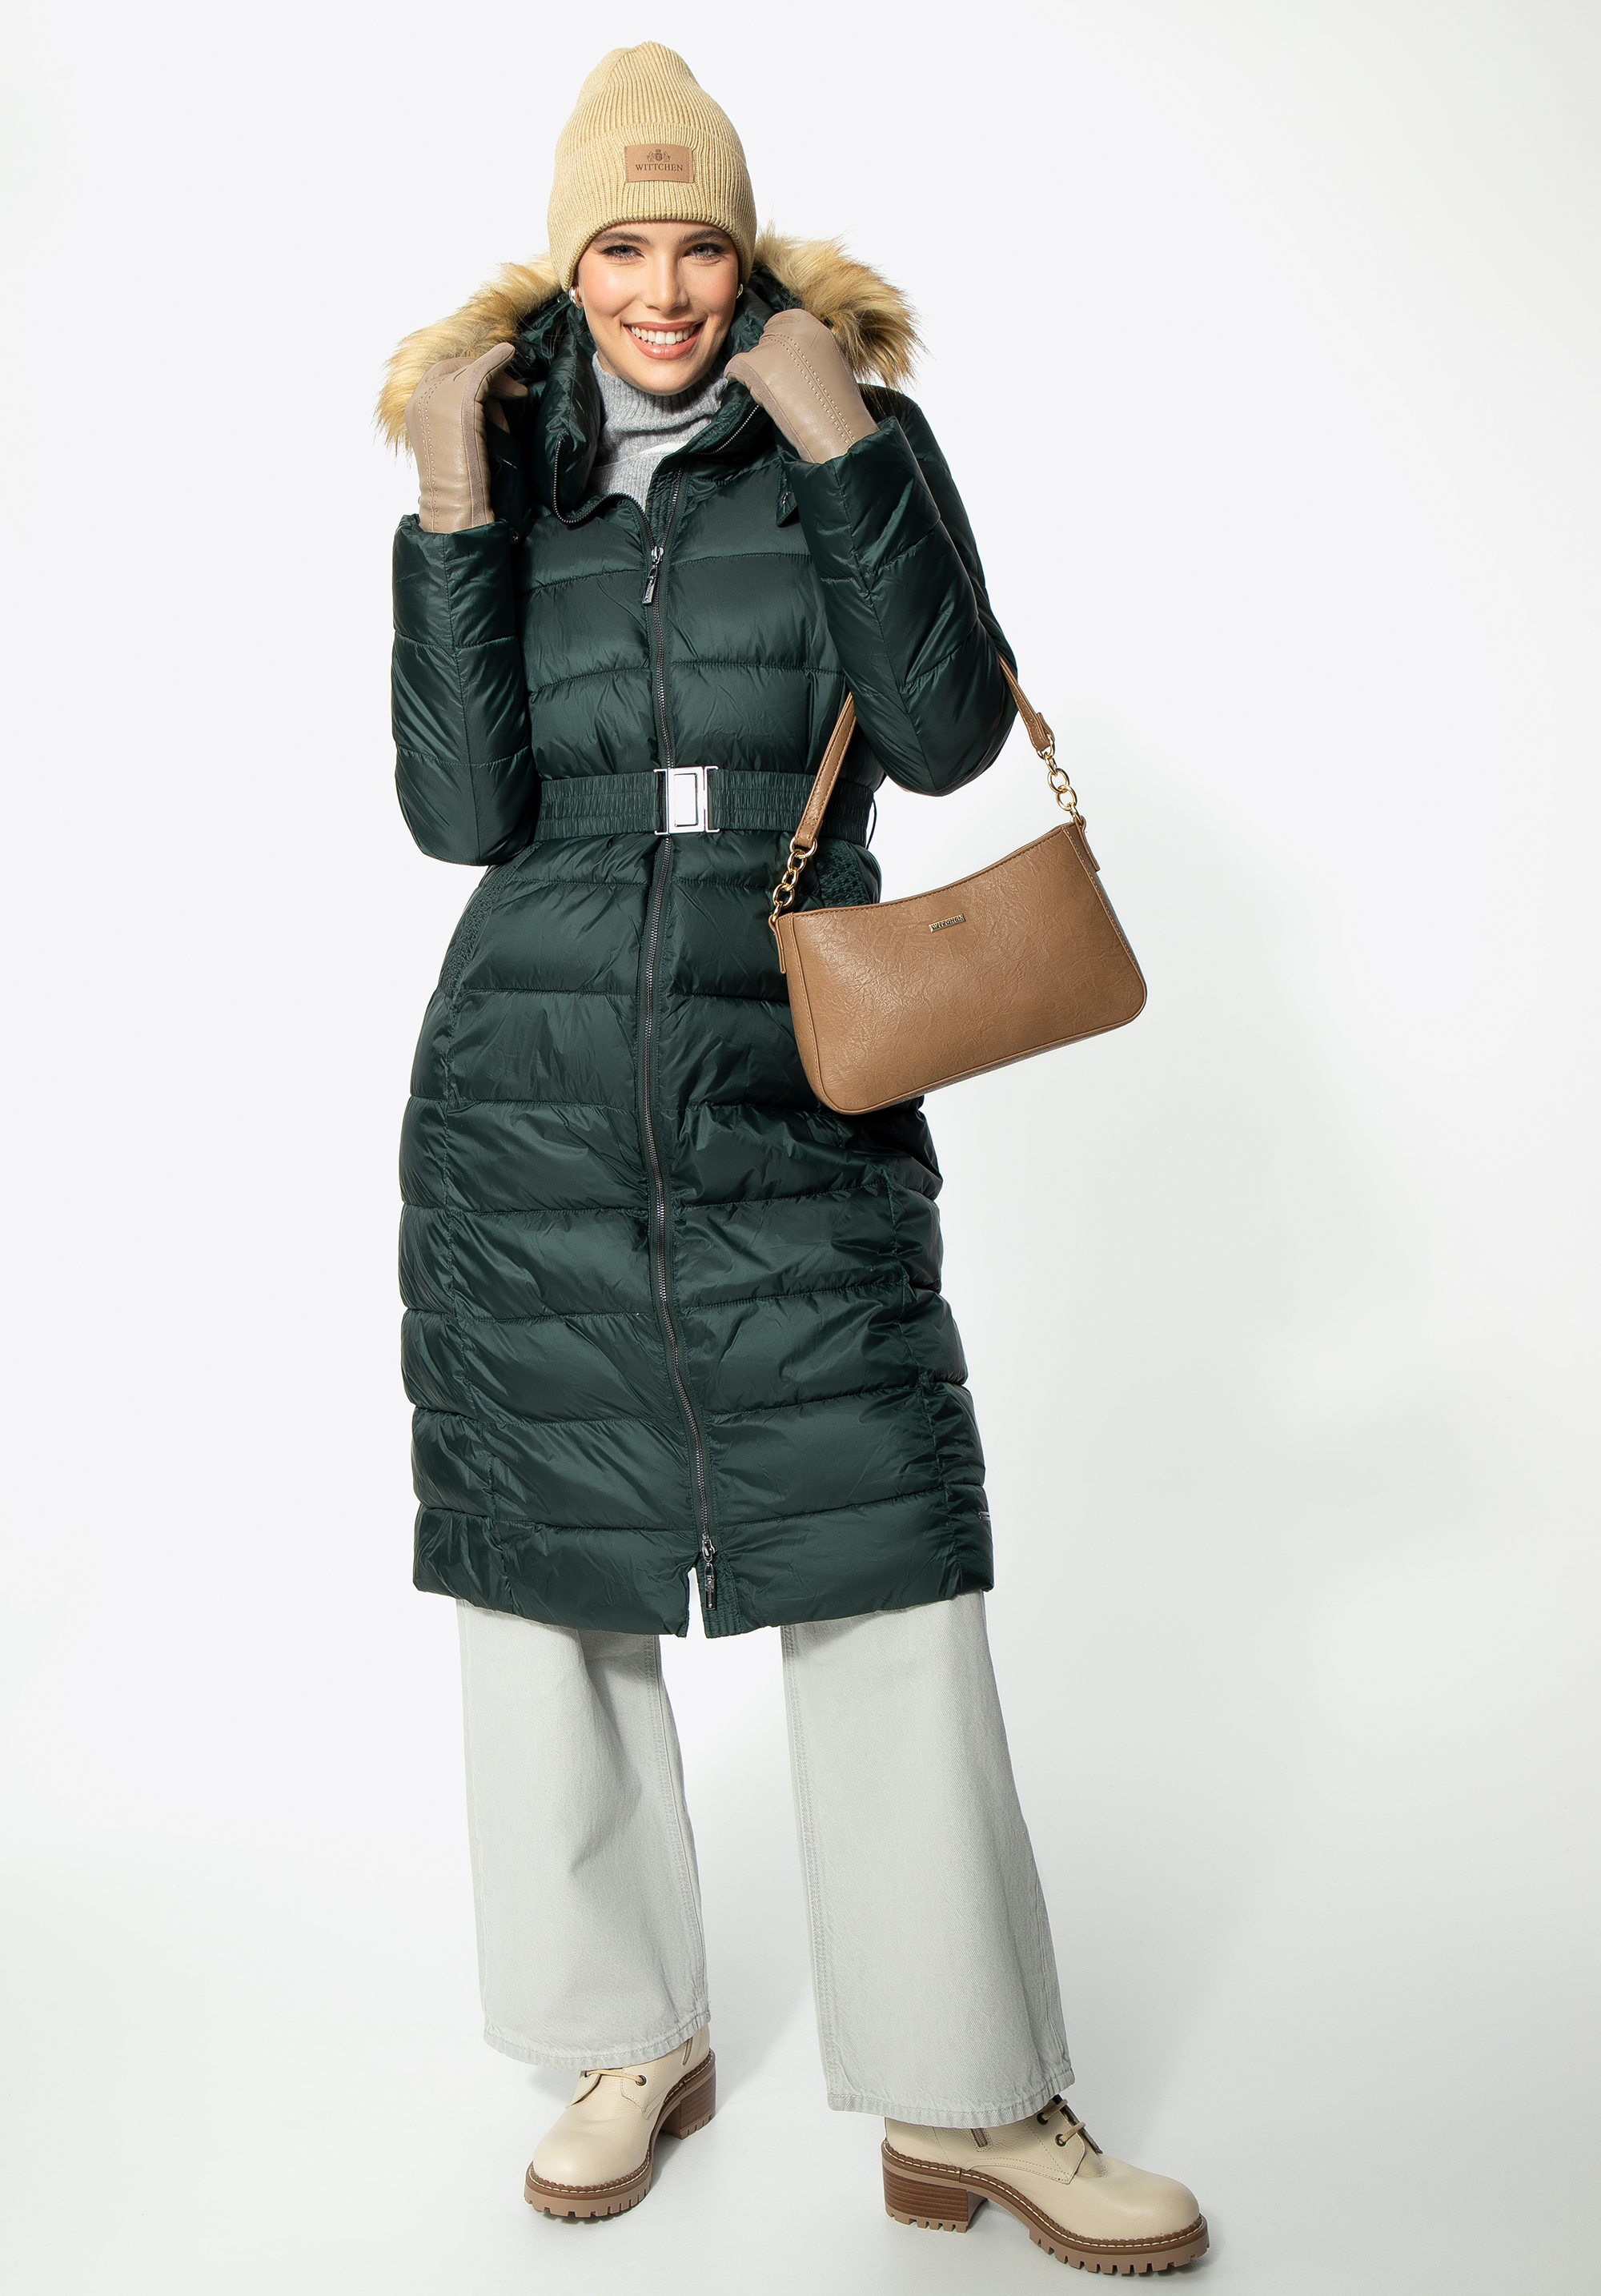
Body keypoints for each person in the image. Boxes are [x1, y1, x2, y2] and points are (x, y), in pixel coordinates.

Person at [379, 39, 1207, 2274]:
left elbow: (941, 734)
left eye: (696, 242)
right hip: (531, 1089)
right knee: (547, 1582)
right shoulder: (507, 465)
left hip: (789, 1068)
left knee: (883, 1557)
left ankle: (975, 2095)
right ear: (568, 265)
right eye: (619, 248)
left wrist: (846, 445)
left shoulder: (842, 428)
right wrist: (448, 515)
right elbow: (460, 811)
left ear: (746, 254)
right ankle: (615, 2040)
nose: (661, 289)